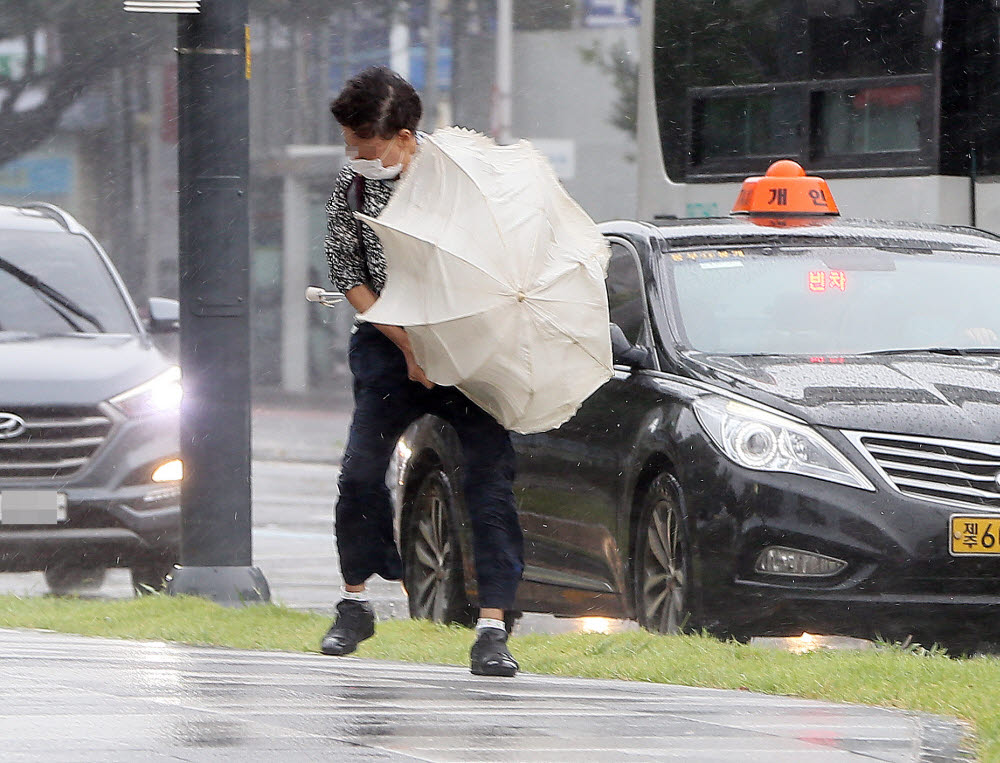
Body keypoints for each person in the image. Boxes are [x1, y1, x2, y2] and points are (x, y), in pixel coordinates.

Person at [320, 66, 524, 677]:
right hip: (387, 343)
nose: (357, 157)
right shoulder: (352, 187)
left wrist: (446, 347)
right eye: (350, 146)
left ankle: (493, 627)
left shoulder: (462, 182)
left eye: (368, 146)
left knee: (487, 481)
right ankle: (356, 601)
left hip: (467, 343)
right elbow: (345, 269)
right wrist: (406, 345)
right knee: (359, 474)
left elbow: (497, 264)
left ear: (406, 137)